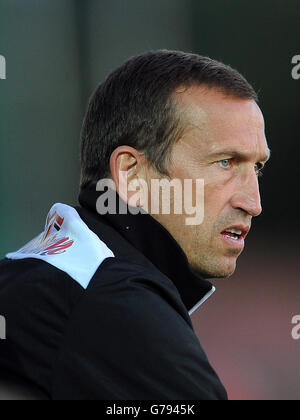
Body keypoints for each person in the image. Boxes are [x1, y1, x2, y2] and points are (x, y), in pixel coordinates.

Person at [0, 50, 270, 400]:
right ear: (131, 174)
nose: (253, 203)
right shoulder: (115, 303)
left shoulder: (48, 275)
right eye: (225, 162)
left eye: (257, 168)